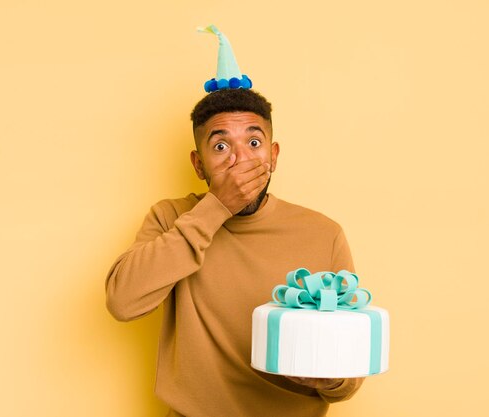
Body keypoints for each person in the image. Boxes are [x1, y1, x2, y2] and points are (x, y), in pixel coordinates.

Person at [105, 25, 364, 417]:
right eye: (221, 145)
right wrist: (215, 208)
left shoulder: (323, 234)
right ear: (198, 164)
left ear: (274, 156)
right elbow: (122, 302)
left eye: (254, 143)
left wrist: (328, 378)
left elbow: (347, 378)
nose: (239, 159)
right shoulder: (171, 217)